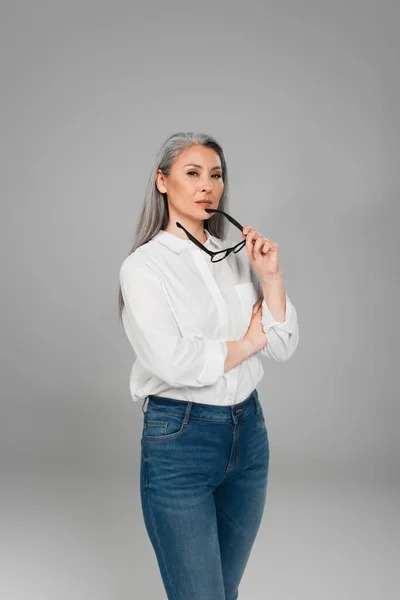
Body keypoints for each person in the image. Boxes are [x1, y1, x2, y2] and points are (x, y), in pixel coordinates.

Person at [117, 132, 299, 599]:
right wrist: (248, 342)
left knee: (225, 591)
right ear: (162, 182)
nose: (208, 187)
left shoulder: (237, 256)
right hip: (181, 442)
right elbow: (173, 361)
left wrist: (271, 276)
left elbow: (282, 346)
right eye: (192, 174)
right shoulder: (143, 267)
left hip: (248, 437)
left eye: (215, 175)